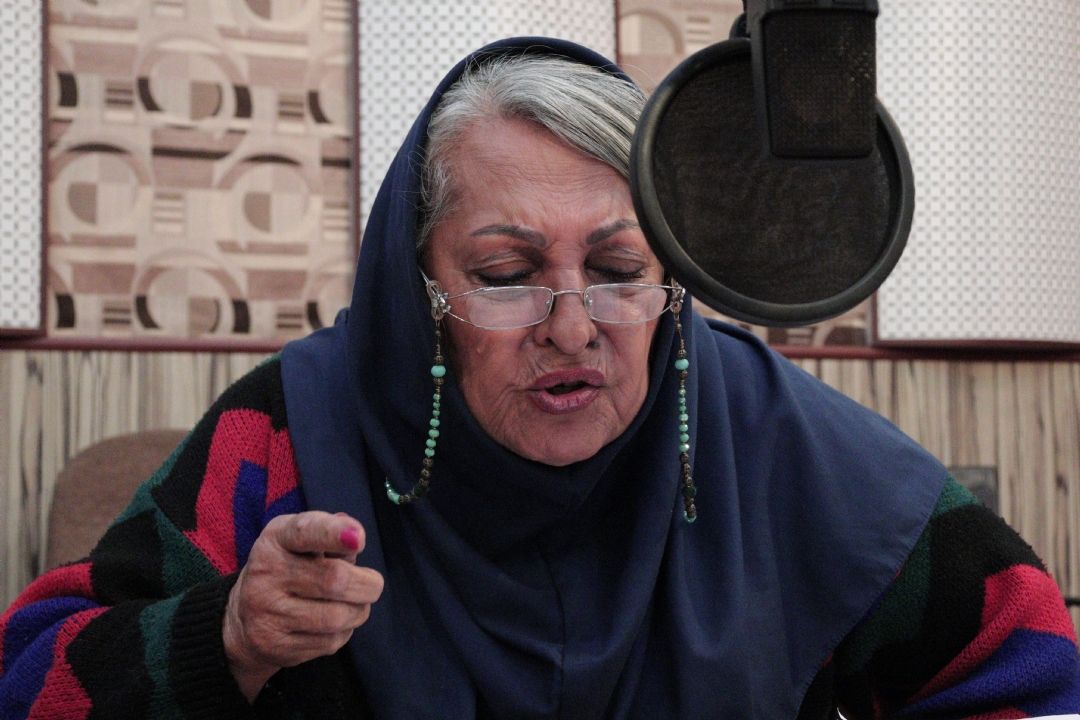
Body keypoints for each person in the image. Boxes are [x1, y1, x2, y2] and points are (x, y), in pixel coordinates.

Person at [1, 37, 1078, 719]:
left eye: (619, 271)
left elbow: (1035, 673)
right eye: (507, 276)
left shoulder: (778, 438)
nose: (572, 328)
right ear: (416, 286)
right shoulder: (289, 437)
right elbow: (31, 677)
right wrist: (227, 638)